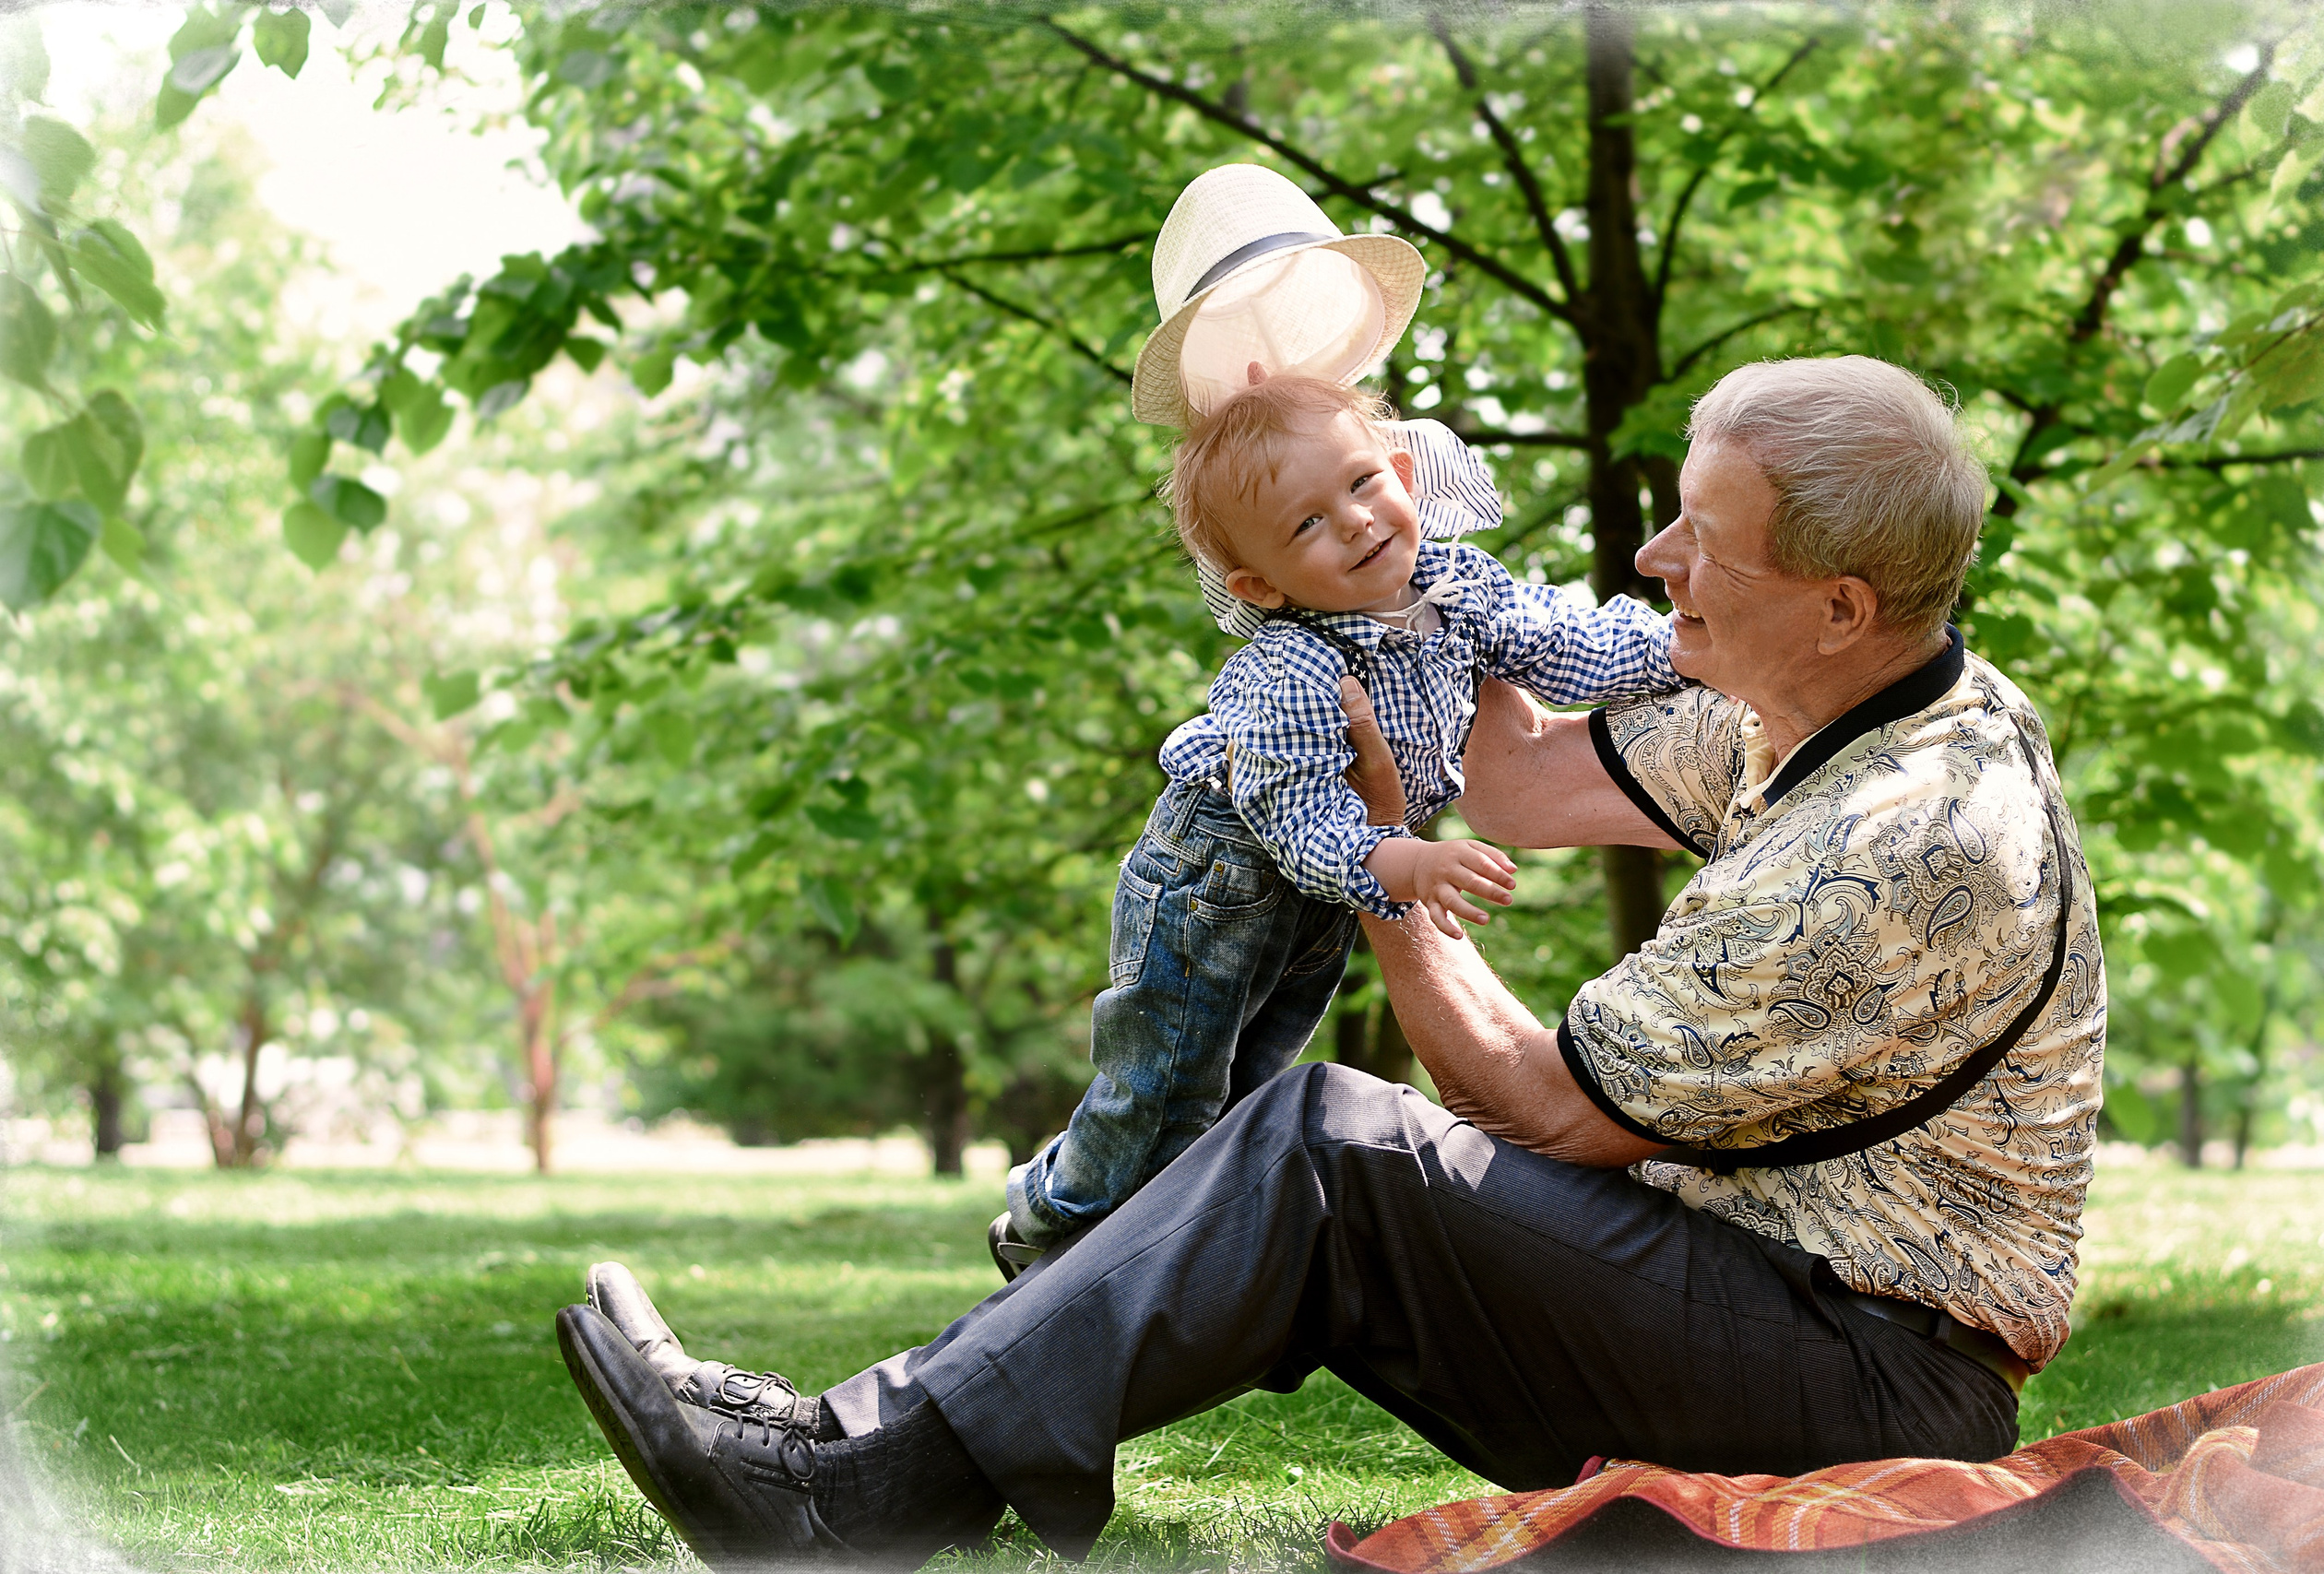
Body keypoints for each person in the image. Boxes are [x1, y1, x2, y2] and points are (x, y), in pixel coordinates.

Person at [552, 355, 2106, 1573]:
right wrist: (1408, 574)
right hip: (1764, 1300)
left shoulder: (1909, 842)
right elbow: (1516, 785)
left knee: (1332, 1139)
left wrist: (1367, 859)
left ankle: (850, 1487)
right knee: (1328, 1146)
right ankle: (858, 1449)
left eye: (1703, 535)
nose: (1651, 555)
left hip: (1858, 1389)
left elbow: (1532, 1102)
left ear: (1840, 602)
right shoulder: (1813, 695)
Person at [993, 374, 1677, 1274]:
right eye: (1306, 524)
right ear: (1261, 586)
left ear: (1400, 472)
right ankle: (1047, 1219)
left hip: (1318, 893)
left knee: (1249, 1079)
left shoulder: (1454, 588)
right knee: (1164, 1091)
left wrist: (1684, 650)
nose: (1353, 521)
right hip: (1219, 876)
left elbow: (1558, 638)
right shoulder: (1292, 669)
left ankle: (1141, 1254)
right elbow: (1298, 817)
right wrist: (1399, 858)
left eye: (1360, 485)